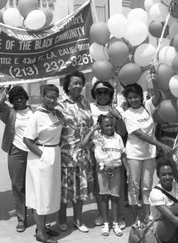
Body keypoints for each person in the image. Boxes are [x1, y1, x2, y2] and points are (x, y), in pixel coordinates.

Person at [121, 82, 173, 225]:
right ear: (127, 99)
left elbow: (158, 96)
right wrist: (161, 144)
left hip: (149, 154)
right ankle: (137, 218)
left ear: (141, 96)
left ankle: (148, 215)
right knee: (133, 186)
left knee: (146, 186)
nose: (133, 100)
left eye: (136, 96)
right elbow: (140, 135)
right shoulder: (127, 114)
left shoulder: (147, 107)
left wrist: (154, 79)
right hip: (134, 155)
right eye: (130, 98)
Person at [23, 84, 63, 243]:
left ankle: (43, 226)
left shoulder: (54, 113)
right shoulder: (37, 116)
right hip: (42, 156)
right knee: (40, 195)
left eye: (55, 97)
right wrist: (43, 155)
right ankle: (41, 233)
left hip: (54, 154)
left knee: (48, 195)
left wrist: (59, 112)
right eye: (49, 97)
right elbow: (27, 139)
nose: (52, 100)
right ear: (42, 97)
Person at [81, 114, 129, 237]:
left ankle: (115, 223)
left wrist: (127, 169)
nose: (109, 128)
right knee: (103, 197)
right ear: (100, 126)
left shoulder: (117, 137)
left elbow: (123, 154)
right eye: (106, 125)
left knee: (115, 197)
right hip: (102, 171)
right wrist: (93, 129)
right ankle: (106, 223)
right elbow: (84, 144)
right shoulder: (98, 138)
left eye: (111, 125)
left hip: (117, 170)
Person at [58, 71, 94, 233]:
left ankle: (78, 220)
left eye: (80, 83)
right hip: (66, 154)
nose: (78, 86)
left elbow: (91, 125)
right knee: (65, 191)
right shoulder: (59, 104)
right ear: (68, 85)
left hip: (84, 154)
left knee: (81, 190)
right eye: (75, 83)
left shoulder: (85, 102)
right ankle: (62, 219)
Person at [0, 85, 34, 233]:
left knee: (35, 185)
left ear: (26, 97)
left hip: (34, 152)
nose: (19, 100)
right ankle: (21, 219)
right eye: (16, 98)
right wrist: (5, 89)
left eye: (21, 97)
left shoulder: (35, 112)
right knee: (18, 187)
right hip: (16, 152)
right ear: (11, 100)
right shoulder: (10, 113)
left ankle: (38, 217)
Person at [89, 80, 127, 229]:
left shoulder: (117, 109)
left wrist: (118, 117)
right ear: (94, 94)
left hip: (115, 154)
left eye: (106, 92)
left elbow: (123, 132)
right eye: (99, 92)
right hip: (97, 153)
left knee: (118, 187)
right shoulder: (90, 107)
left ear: (111, 93)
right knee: (100, 187)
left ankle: (120, 216)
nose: (102, 95)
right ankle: (101, 214)